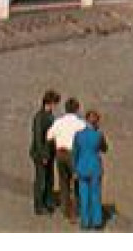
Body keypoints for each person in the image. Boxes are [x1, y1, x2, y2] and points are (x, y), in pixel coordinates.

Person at [46, 96, 87, 224]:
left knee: (63, 183)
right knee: (76, 184)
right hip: (73, 154)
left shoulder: (58, 122)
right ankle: (75, 212)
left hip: (60, 154)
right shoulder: (80, 124)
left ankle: (65, 209)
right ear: (77, 109)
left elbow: (49, 136)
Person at [72, 109, 109, 231]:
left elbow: (75, 153)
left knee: (83, 194)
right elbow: (104, 148)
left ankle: (85, 221)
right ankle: (97, 220)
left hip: (82, 167)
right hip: (94, 167)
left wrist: (74, 169)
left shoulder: (78, 135)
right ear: (96, 122)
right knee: (95, 194)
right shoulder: (98, 135)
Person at [30, 89, 60, 216]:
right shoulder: (39, 117)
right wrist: (43, 155)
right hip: (40, 154)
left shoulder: (50, 115)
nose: (55, 106)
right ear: (48, 102)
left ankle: (48, 202)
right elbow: (38, 138)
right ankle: (39, 205)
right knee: (41, 180)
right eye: (54, 103)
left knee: (49, 179)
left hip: (50, 153)